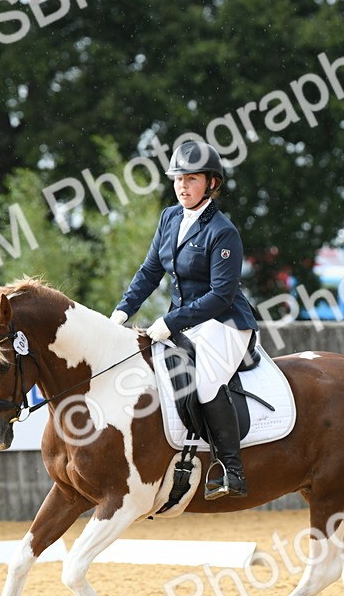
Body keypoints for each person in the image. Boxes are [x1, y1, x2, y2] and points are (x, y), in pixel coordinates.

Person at [110, 140, 257, 500]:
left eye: (191, 179)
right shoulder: (170, 217)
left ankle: (232, 471)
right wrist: (121, 312)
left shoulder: (223, 231)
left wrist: (170, 322)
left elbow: (221, 295)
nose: (182, 186)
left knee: (206, 385)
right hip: (187, 321)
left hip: (225, 323)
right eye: (178, 178)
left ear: (211, 183)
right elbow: (149, 271)